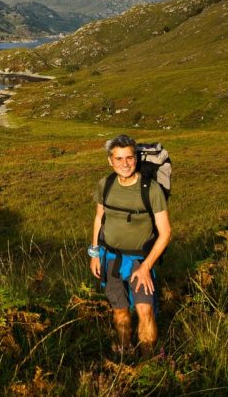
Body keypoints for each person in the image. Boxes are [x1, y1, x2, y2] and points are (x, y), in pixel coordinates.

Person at [88, 134, 171, 357]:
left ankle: (147, 362)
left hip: (139, 261)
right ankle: (126, 359)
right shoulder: (105, 185)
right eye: (119, 159)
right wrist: (94, 254)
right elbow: (99, 219)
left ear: (136, 159)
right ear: (110, 161)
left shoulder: (151, 190)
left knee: (145, 311)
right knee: (120, 312)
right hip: (110, 258)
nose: (125, 164)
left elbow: (165, 233)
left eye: (129, 158)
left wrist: (146, 267)